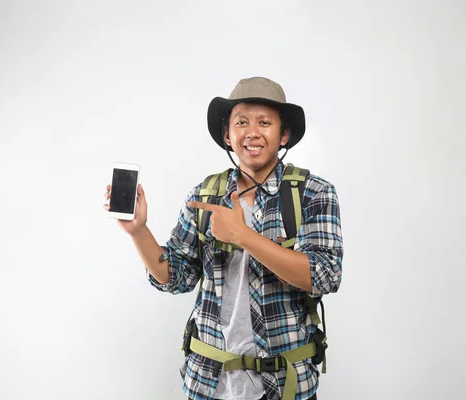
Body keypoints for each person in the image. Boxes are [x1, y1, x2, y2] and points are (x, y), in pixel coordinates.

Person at [103, 77, 343, 400]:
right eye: (241, 122)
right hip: (208, 384)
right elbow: (173, 276)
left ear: (283, 134)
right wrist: (138, 231)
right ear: (228, 136)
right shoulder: (206, 194)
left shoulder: (314, 194)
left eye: (265, 122)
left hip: (286, 386)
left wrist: (243, 236)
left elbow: (324, 275)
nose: (252, 132)